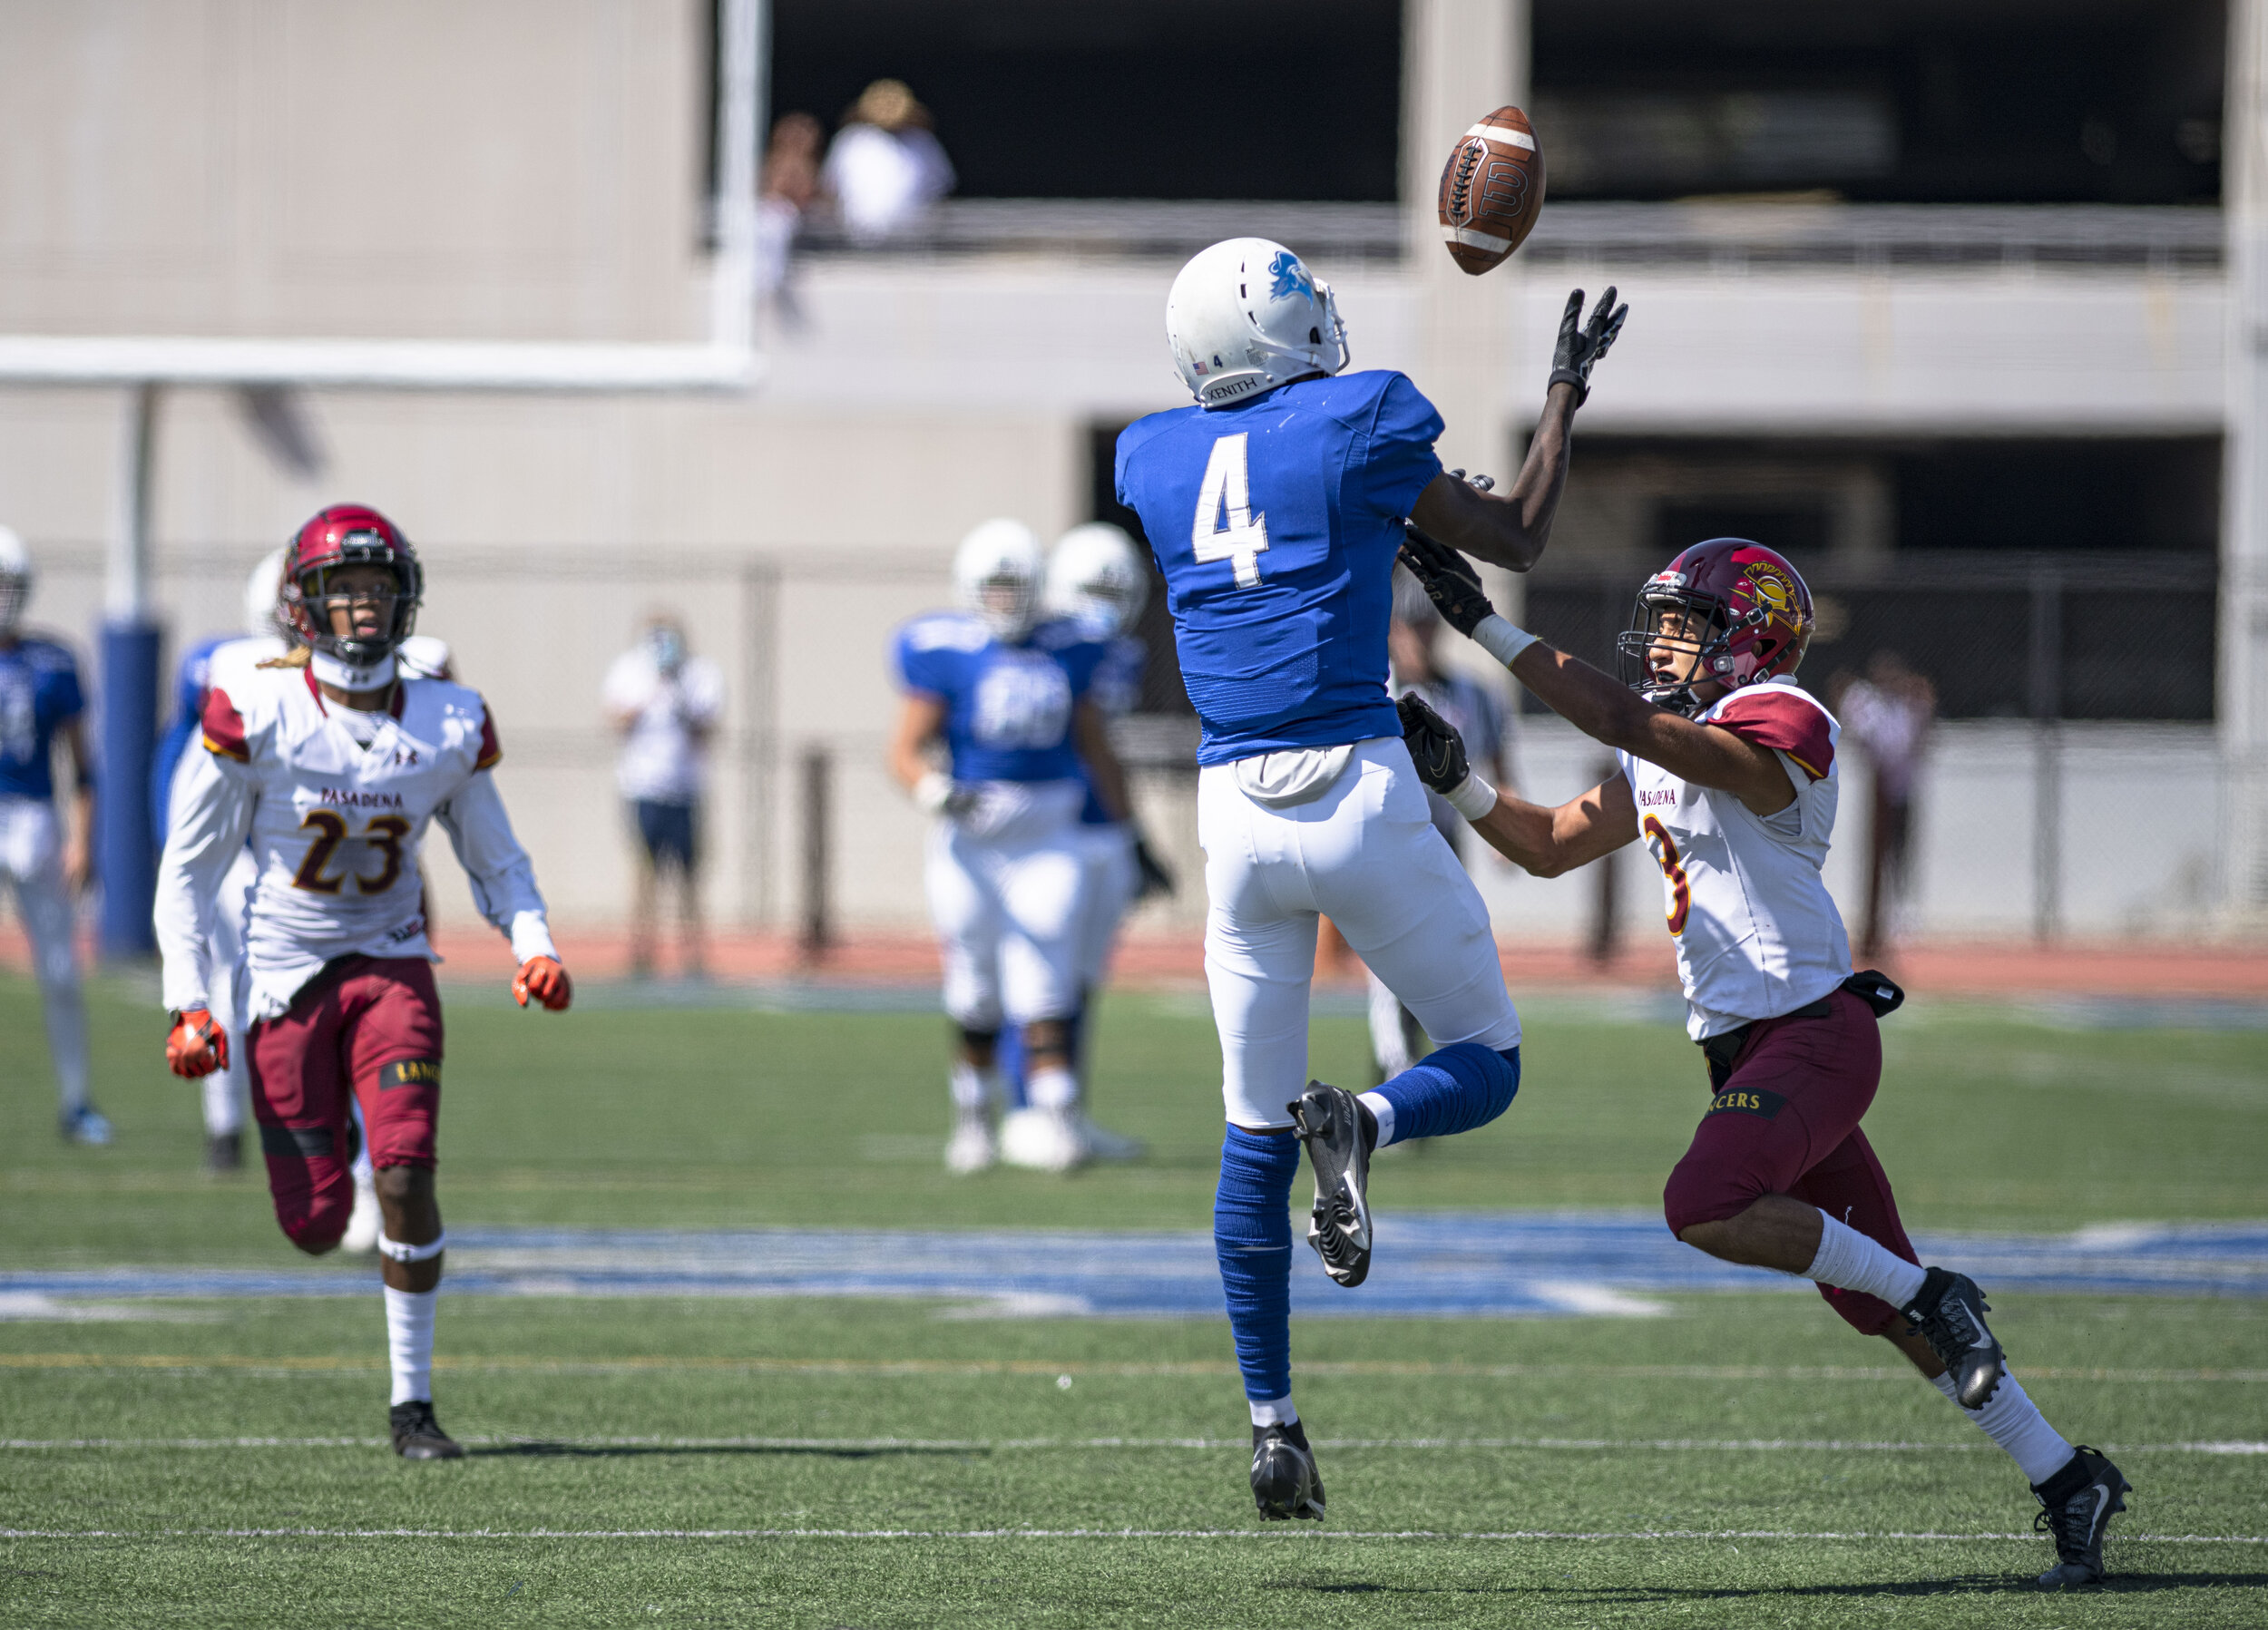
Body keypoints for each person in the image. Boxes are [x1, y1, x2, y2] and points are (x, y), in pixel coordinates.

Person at [1395, 529, 2128, 1588]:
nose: (1662, 646)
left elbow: (1620, 718)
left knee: (1705, 1202)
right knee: (1869, 1297)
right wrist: (1458, 783)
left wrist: (1484, 624)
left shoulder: (1784, 720)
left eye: (1686, 627)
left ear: (1749, 639)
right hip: (1746, 1050)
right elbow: (1549, 843)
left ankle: (1935, 1295)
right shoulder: (1666, 742)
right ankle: (2066, 1476)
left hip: (1813, 1036)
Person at [1112, 236, 1625, 1519]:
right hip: (1359, 777)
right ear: (1289, 331)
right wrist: (1561, 390)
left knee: (1246, 1138)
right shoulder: (1363, 415)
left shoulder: (1148, 454)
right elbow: (1513, 533)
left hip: (1230, 811)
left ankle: (1273, 1428)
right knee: (1487, 1056)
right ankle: (1374, 1122)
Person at [154, 503, 572, 1460]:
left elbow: (495, 856)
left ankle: (412, 1406)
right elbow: (188, 872)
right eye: (341, 592)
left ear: (407, 600)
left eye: (377, 591)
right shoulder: (254, 701)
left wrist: (533, 941)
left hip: (392, 963)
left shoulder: (447, 713)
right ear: (302, 607)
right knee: (312, 1224)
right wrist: (187, 1000)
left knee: (404, 1172)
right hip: (285, 974)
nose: (361, 611)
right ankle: (324, 1158)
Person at [886, 519, 1133, 1174]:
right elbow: (905, 751)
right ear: (970, 588)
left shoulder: (1070, 646)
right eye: (992, 587)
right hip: (970, 842)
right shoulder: (944, 648)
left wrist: (1126, 829)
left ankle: (1056, 1117)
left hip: (1048, 836)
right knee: (974, 990)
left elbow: (1094, 744)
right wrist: (936, 790)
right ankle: (973, 1119)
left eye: (1013, 586)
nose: (1003, 600)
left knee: (1046, 982)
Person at [987, 523, 1175, 1163]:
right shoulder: (1050, 649)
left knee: (1083, 981)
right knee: (1040, 977)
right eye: (1093, 587)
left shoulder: (1119, 653)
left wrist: (1134, 837)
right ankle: (1025, 1108)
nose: (1105, 602)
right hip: (1054, 832)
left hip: (1103, 834)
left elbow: (1111, 752)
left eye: (1114, 589)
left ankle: (1066, 1108)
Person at [154, 550, 292, 1174]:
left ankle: (246, 1128)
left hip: (271, 841)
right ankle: (229, 1126)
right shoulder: (235, 664)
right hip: (232, 841)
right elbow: (186, 759)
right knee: (239, 978)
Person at [1366, 568, 1512, 1089]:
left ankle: (1417, 1068)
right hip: (1386, 839)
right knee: (1391, 966)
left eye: (1427, 625)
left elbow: (1499, 765)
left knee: (1440, 958)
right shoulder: (1375, 688)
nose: (1420, 636)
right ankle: (1393, 1069)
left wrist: (1504, 838)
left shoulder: (1472, 692)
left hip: (1445, 836)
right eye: (1410, 625)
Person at [0, 526, 103, 1145]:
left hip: (35, 816)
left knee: (62, 970)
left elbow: (81, 765)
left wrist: (82, 838)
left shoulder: (53, 660)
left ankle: (76, 1100)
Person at [602, 616, 723, 980]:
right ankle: (642, 953)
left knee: (689, 873)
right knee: (645, 871)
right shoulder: (629, 670)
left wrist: (679, 694)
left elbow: (707, 730)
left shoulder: (700, 674)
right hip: (643, 788)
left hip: (685, 789)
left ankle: (693, 955)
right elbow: (617, 722)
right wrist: (651, 689)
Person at [1836, 649, 1935, 958]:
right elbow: (1864, 736)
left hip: (1903, 788)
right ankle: (1876, 923)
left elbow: (1916, 742)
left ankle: (1899, 912)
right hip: (1877, 790)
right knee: (1876, 854)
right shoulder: (1869, 705)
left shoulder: (1907, 706)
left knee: (1903, 850)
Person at [822, 80, 954, 247]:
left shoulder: (922, 141)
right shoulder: (851, 140)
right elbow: (830, 187)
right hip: (858, 239)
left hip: (912, 239)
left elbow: (940, 187)